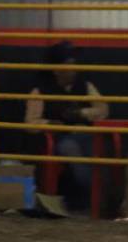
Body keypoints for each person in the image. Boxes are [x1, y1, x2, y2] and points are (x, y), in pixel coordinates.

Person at [24, 41, 109, 211]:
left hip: (86, 134)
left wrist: (81, 113)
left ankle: (103, 197)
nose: (73, 67)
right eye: (68, 63)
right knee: (71, 148)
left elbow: (103, 109)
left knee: (101, 148)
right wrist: (50, 123)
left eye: (74, 63)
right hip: (60, 138)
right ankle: (93, 198)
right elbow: (30, 122)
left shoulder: (85, 85)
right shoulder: (40, 90)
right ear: (55, 69)